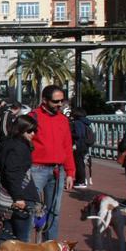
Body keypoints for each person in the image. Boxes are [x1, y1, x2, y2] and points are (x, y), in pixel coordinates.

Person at [0, 114, 42, 251]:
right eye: (30, 131)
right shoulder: (19, 148)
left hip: (6, 197)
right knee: (22, 236)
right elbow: (13, 174)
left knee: (7, 232)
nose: (33, 134)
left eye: (35, 130)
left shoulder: (7, 144)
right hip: (19, 196)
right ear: (21, 130)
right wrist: (19, 197)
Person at [29, 86, 75, 242]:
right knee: (30, 209)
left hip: (58, 170)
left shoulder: (63, 119)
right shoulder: (33, 117)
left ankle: (50, 249)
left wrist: (70, 172)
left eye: (62, 101)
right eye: (56, 101)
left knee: (54, 211)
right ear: (44, 100)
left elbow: (67, 147)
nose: (60, 104)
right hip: (36, 169)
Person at [70, 107, 92, 189]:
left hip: (79, 145)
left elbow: (78, 135)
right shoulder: (84, 122)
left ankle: (81, 181)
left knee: (79, 163)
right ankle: (80, 180)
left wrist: (70, 134)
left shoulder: (77, 123)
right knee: (81, 163)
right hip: (84, 145)